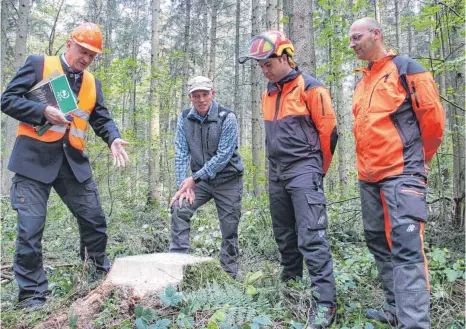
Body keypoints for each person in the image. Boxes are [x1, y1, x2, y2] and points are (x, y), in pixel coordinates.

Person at [1, 22, 129, 309]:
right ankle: (32, 297)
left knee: (94, 221)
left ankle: (95, 280)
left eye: (92, 55)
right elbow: (7, 99)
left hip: (72, 163)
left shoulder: (91, 83)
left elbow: (101, 118)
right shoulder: (38, 65)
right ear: (69, 43)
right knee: (30, 229)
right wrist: (41, 111)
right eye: (82, 51)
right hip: (33, 161)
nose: (85, 58)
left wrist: (113, 139)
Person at [349, 17, 445, 328]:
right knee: (378, 241)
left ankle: (415, 322)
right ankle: (395, 310)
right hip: (369, 178)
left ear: (376, 34)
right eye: (350, 39)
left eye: (357, 37)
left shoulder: (406, 69)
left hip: (402, 174)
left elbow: (433, 121)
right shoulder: (363, 82)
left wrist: (418, 161)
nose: (352, 44)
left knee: (406, 247)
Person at [239, 31, 339, 328]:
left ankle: (325, 303)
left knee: (312, 235)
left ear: (285, 58)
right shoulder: (268, 94)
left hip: (304, 169)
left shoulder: (312, 88)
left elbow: (330, 134)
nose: (264, 70)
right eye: (260, 66)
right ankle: (292, 284)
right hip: (277, 172)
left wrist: (317, 171)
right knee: (284, 232)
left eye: (267, 63)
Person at [169, 76, 244, 279]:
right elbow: (181, 152)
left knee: (229, 227)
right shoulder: (185, 118)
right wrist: (183, 186)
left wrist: (194, 178)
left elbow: (223, 156)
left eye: (204, 94)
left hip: (228, 179)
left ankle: (229, 275)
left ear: (213, 94)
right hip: (200, 181)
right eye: (196, 95)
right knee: (180, 207)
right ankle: (176, 264)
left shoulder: (227, 117)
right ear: (190, 97)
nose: (201, 99)